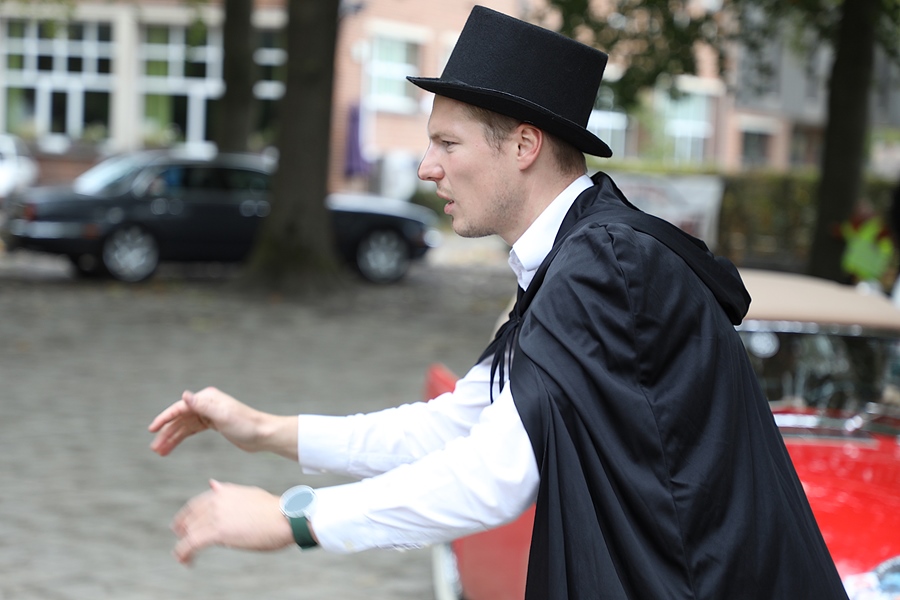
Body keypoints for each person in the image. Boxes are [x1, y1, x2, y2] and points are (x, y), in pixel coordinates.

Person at [149, 6, 849, 599]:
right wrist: (264, 430)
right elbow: (457, 426)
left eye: (447, 143)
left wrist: (291, 520)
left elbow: (492, 476)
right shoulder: (578, 258)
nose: (427, 167)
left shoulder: (607, 265)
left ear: (524, 145)